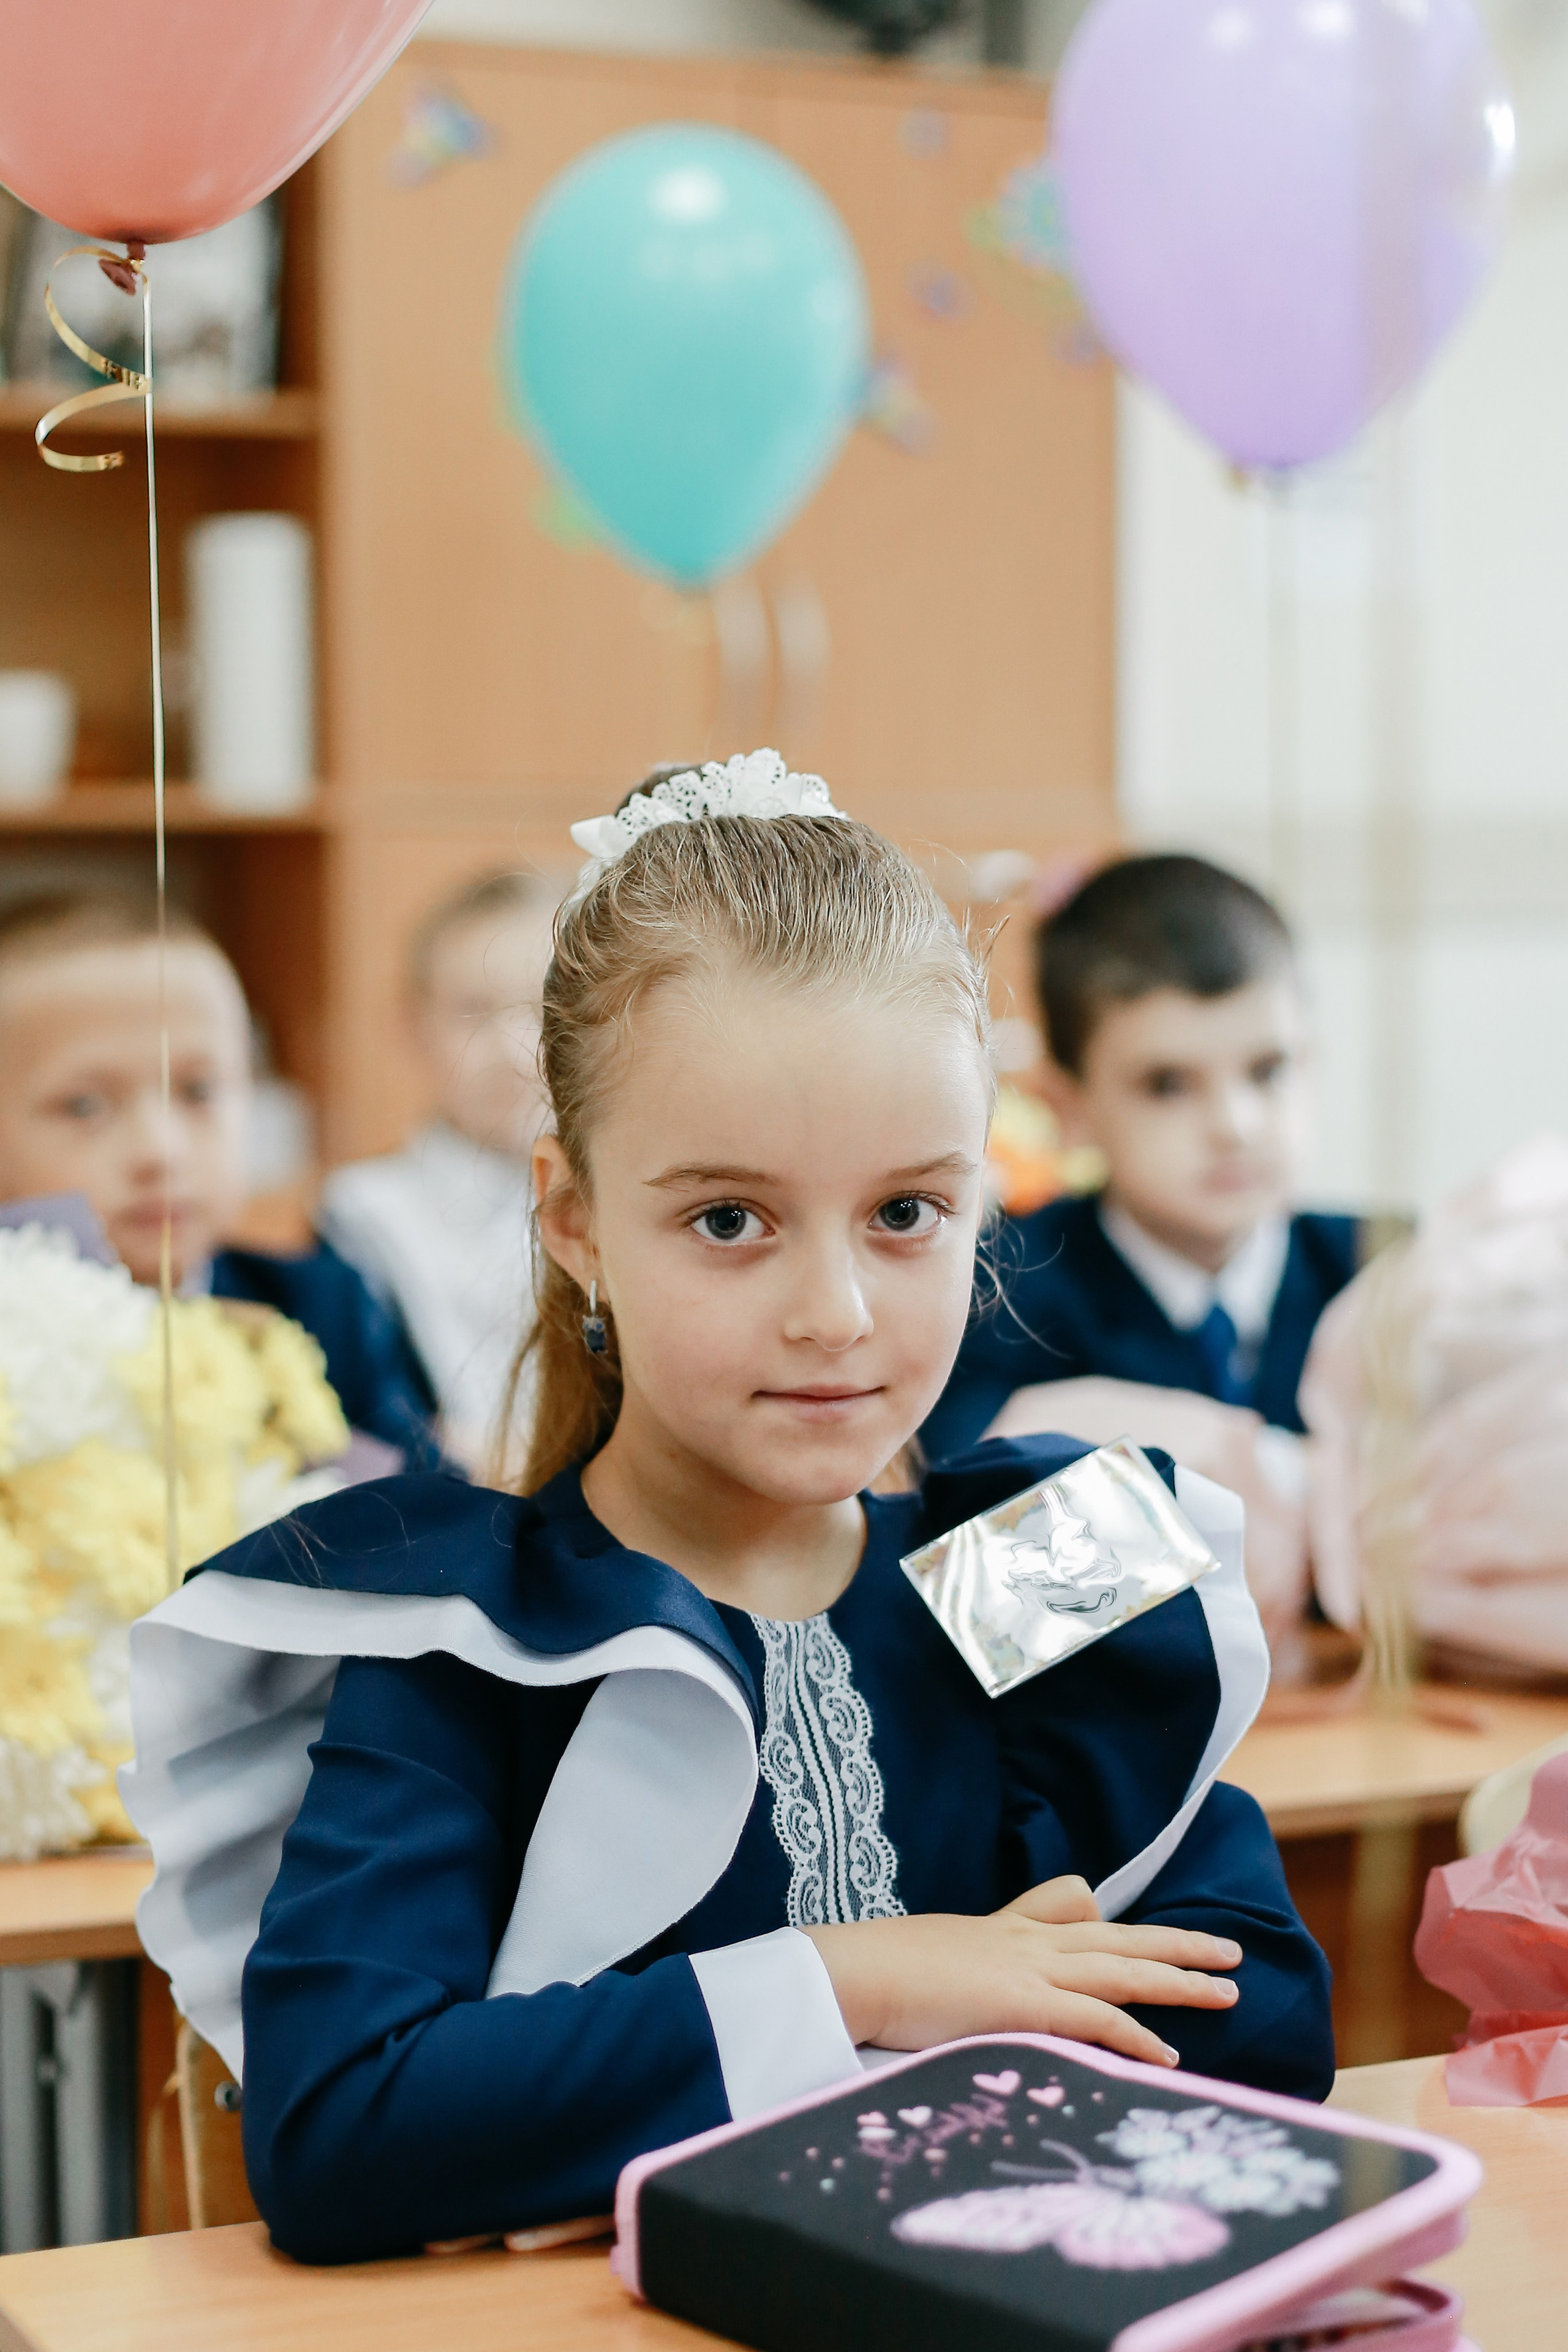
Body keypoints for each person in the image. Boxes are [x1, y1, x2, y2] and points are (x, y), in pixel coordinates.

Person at [121, 755, 1332, 2267]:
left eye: (905, 1212)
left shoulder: (1033, 1561)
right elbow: (343, 2129)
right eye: (726, 1219)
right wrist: (860, 1982)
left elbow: (1264, 2024)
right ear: (572, 1217)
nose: (832, 1313)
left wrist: (590, 2107)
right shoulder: (468, 1630)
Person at [922, 856, 1360, 1467]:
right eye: (1167, 1084)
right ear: (1069, 1108)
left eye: (1268, 1070)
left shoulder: (1386, 1275)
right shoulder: (995, 1301)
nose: (1234, 1126)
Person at [0, 888, 442, 1467]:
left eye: (199, 1091)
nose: (161, 1149)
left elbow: (437, 1509)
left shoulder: (325, 1308)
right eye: (84, 1106)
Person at [317, 870, 555, 1470]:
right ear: (413, 1025)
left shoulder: (630, 1200)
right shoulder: (363, 1214)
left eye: (544, 1006)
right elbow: (381, 1433)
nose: (511, 1047)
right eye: (472, 1012)